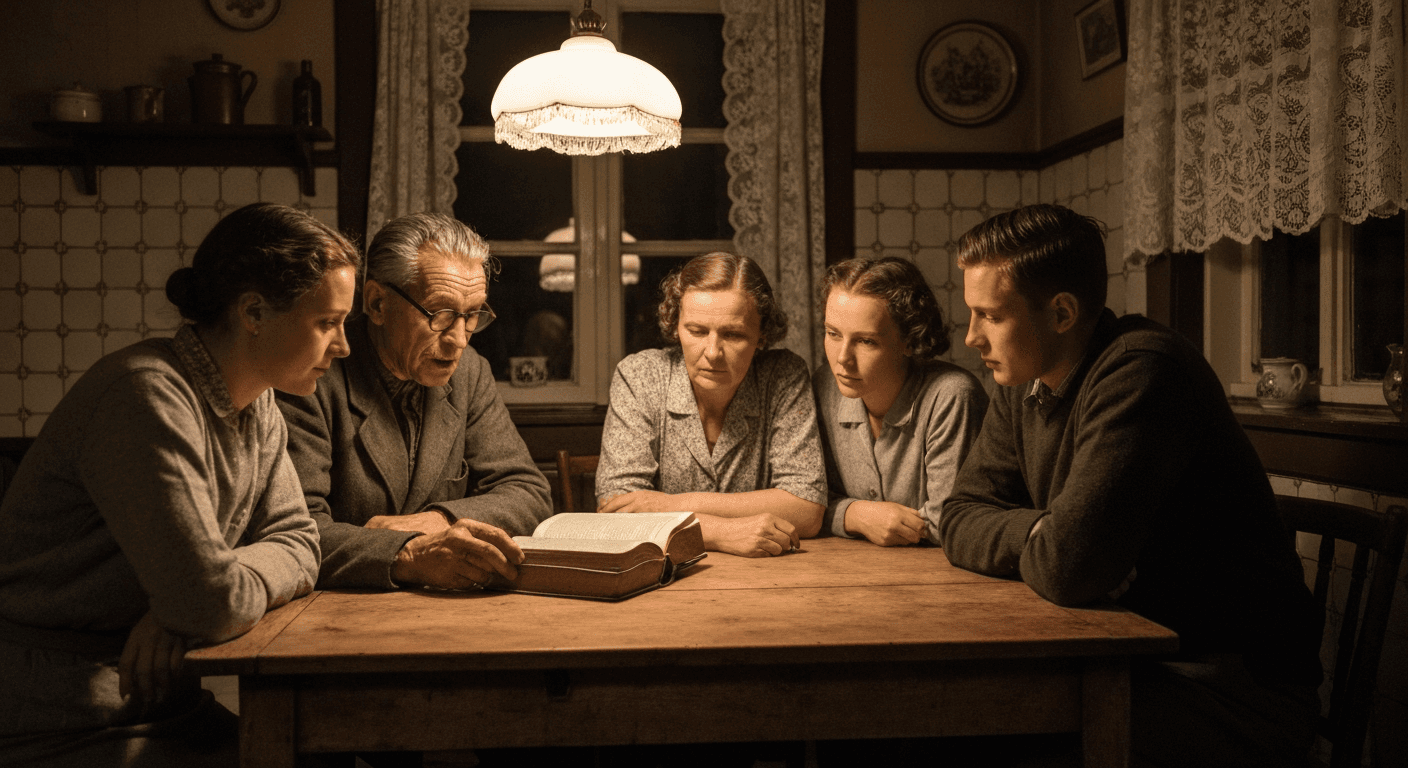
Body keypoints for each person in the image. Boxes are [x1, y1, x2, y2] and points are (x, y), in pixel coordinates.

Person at [938, 204, 1322, 767]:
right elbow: (959, 515)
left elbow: (1067, 568)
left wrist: (1057, 546)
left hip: (1227, 687)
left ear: (1062, 312)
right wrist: (1042, 531)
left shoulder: (1143, 371)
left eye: (989, 316)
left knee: (979, 736)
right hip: (1126, 661)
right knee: (953, 720)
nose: (970, 336)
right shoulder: (1021, 380)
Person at [0, 202, 353, 766]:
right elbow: (209, 602)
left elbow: (301, 542)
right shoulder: (145, 397)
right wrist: (194, 604)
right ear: (254, 312)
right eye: (326, 322)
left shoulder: (259, 404)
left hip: (163, 697)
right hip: (59, 712)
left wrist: (178, 612)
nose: (342, 346)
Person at [277, 212, 548, 591]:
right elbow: (298, 531)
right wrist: (406, 553)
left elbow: (529, 492)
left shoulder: (470, 372)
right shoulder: (312, 375)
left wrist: (438, 518)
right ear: (377, 304)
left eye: (472, 316)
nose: (459, 340)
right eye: (440, 314)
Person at [596, 251, 827, 557]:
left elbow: (807, 509)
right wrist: (718, 532)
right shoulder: (640, 375)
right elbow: (616, 511)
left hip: (766, 578)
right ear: (675, 325)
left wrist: (669, 505)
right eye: (697, 331)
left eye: (733, 334)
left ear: (762, 335)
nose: (713, 352)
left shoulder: (783, 375)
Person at [814, 256, 988, 546]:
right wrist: (854, 515)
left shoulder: (952, 396)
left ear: (909, 339)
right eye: (833, 334)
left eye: (866, 341)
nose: (842, 358)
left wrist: (840, 514)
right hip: (851, 573)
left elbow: (952, 522)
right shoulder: (824, 387)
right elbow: (806, 502)